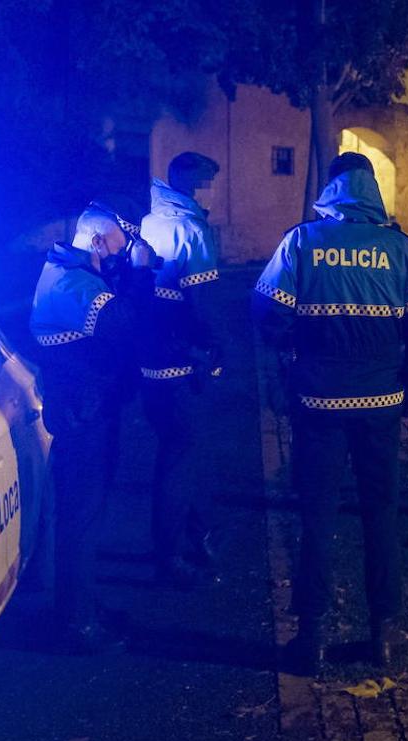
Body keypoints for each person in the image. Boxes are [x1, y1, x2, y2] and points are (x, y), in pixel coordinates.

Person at [253, 152, 408, 672]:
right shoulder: (399, 250)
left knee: (316, 515)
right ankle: (383, 632)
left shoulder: (302, 242)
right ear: (372, 189)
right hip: (381, 403)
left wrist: (298, 347)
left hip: (317, 402)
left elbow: (265, 312)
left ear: (331, 189)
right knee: (380, 513)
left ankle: (310, 638)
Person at [30, 203, 158, 653]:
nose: (124, 257)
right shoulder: (71, 284)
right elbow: (127, 326)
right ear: (98, 241)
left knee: (84, 518)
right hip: (81, 418)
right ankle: (77, 624)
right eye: (121, 249)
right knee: (80, 521)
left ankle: (80, 605)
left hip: (87, 411)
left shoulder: (75, 273)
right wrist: (141, 276)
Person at [140, 152, 227, 587]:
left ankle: (199, 535)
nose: (210, 186)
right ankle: (170, 557)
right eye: (206, 179)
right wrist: (218, 349)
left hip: (154, 361)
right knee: (181, 460)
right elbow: (205, 304)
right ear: (191, 183)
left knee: (183, 454)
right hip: (183, 363)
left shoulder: (152, 221)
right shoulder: (191, 230)